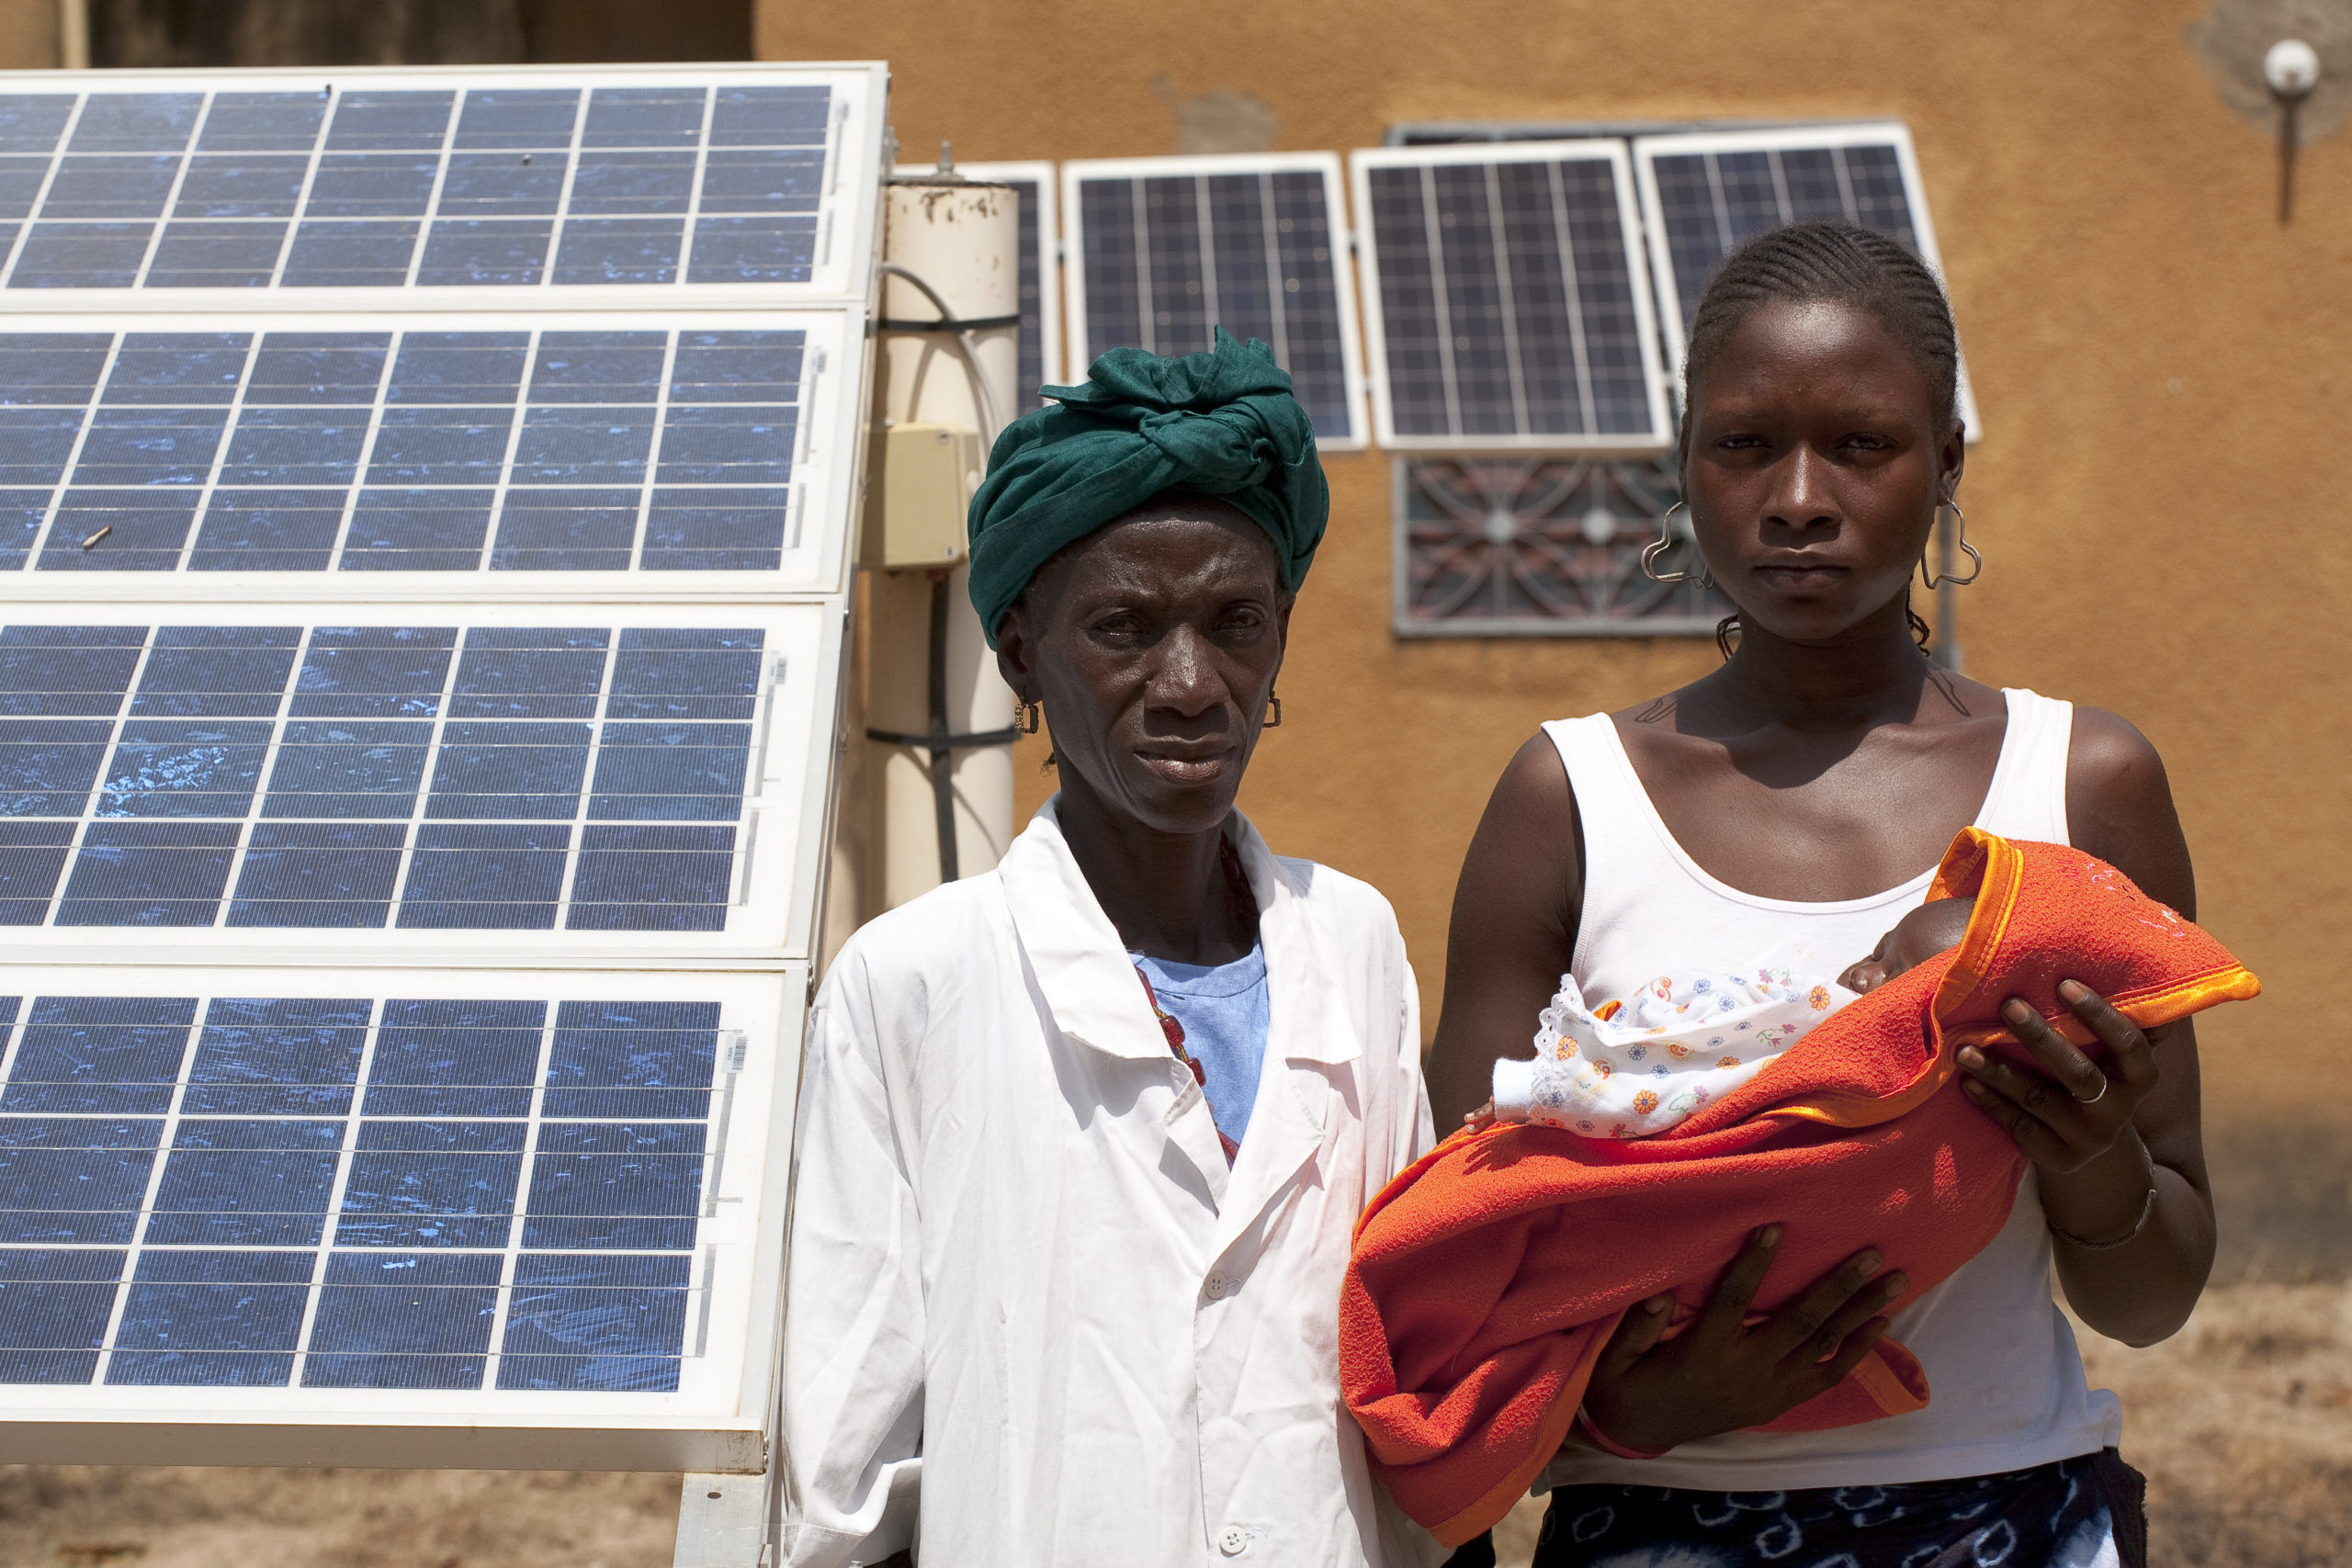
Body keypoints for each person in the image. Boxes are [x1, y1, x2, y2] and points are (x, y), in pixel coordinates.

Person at [1427, 221, 2200, 1567]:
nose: (1797, 496)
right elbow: (1462, 1265)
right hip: (1649, 1524)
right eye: (1743, 444)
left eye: (1861, 444)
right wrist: (1643, 1404)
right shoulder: (1568, 798)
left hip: (2007, 1510)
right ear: (1684, 464)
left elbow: (2155, 1293)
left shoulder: (2080, 782)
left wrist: (2087, 1149)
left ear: (1947, 461)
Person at [782, 330, 1441, 1567]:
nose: (1190, 682)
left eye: (1235, 621)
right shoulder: (915, 980)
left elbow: (1414, 1362)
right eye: (1125, 627)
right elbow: (846, 1461)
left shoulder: (1351, 941)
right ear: (1023, 651)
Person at [1475, 897, 1974, 1137]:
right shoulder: (1803, 1007)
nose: (1864, 975)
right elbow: (1689, 1066)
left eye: (1898, 974)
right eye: (1876, 952)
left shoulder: (1870, 1062)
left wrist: (1528, 1090)